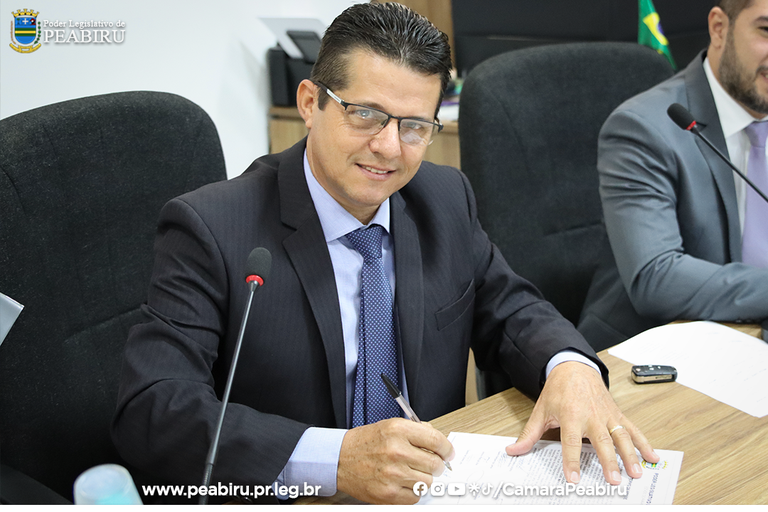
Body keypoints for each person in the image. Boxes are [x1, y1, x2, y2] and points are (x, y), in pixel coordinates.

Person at [112, 2, 656, 504]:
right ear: (310, 103)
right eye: (366, 114)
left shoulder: (443, 197)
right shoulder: (213, 227)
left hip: (431, 490)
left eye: (414, 126)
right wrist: (334, 461)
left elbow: (512, 309)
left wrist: (570, 367)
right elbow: (154, 410)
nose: (389, 147)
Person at [579, 0, 768, 352]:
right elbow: (657, 276)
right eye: (766, 30)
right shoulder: (642, 127)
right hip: (651, 354)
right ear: (719, 28)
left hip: (748, 334)